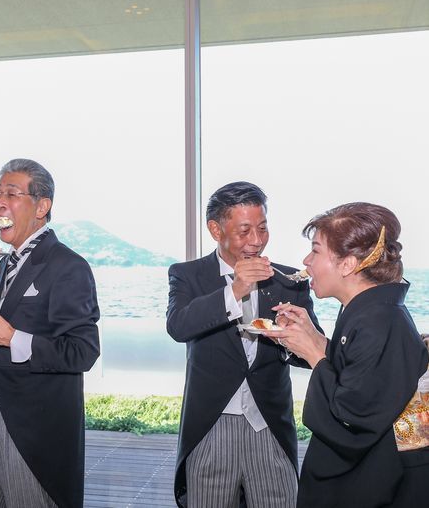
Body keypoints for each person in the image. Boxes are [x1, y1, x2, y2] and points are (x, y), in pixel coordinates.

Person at [166, 181, 321, 508]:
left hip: (270, 424)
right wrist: (235, 290)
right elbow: (179, 326)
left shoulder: (288, 280)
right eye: (245, 231)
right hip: (210, 426)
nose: (257, 241)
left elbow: (310, 357)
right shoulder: (187, 275)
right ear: (215, 229)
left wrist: (292, 338)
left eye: (262, 228)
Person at [264, 202, 429, 508]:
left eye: (315, 250)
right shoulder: (367, 310)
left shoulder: (380, 321)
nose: (306, 260)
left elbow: (353, 420)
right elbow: (359, 373)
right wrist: (316, 340)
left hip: (375, 485)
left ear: (347, 265)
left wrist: (315, 355)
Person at [0, 158, 101, 508]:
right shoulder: (4, 264)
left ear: (42, 207)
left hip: (36, 432)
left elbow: (82, 351)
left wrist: (13, 339)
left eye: (12, 193)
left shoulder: (68, 265)